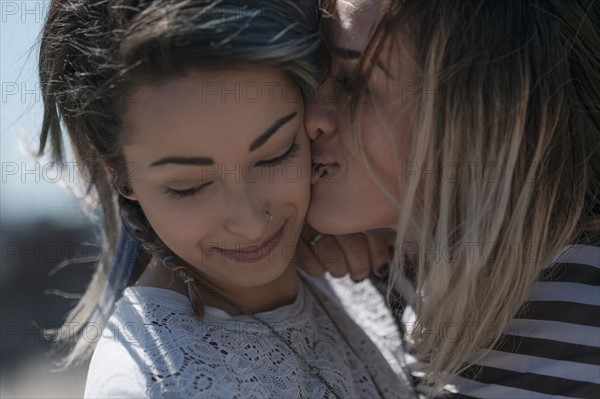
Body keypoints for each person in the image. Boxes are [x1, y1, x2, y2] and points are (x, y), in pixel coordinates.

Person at [37, 0, 416, 397]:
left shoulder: (367, 262)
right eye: (189, 186)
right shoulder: (153, 384)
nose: (250, 222)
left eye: (275, 154)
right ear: (116, 171)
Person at [300, 0, 600, 397]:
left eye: (355, 83)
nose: (312, 115)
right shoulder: (397, 265)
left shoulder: (581, 301)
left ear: (487, 118)